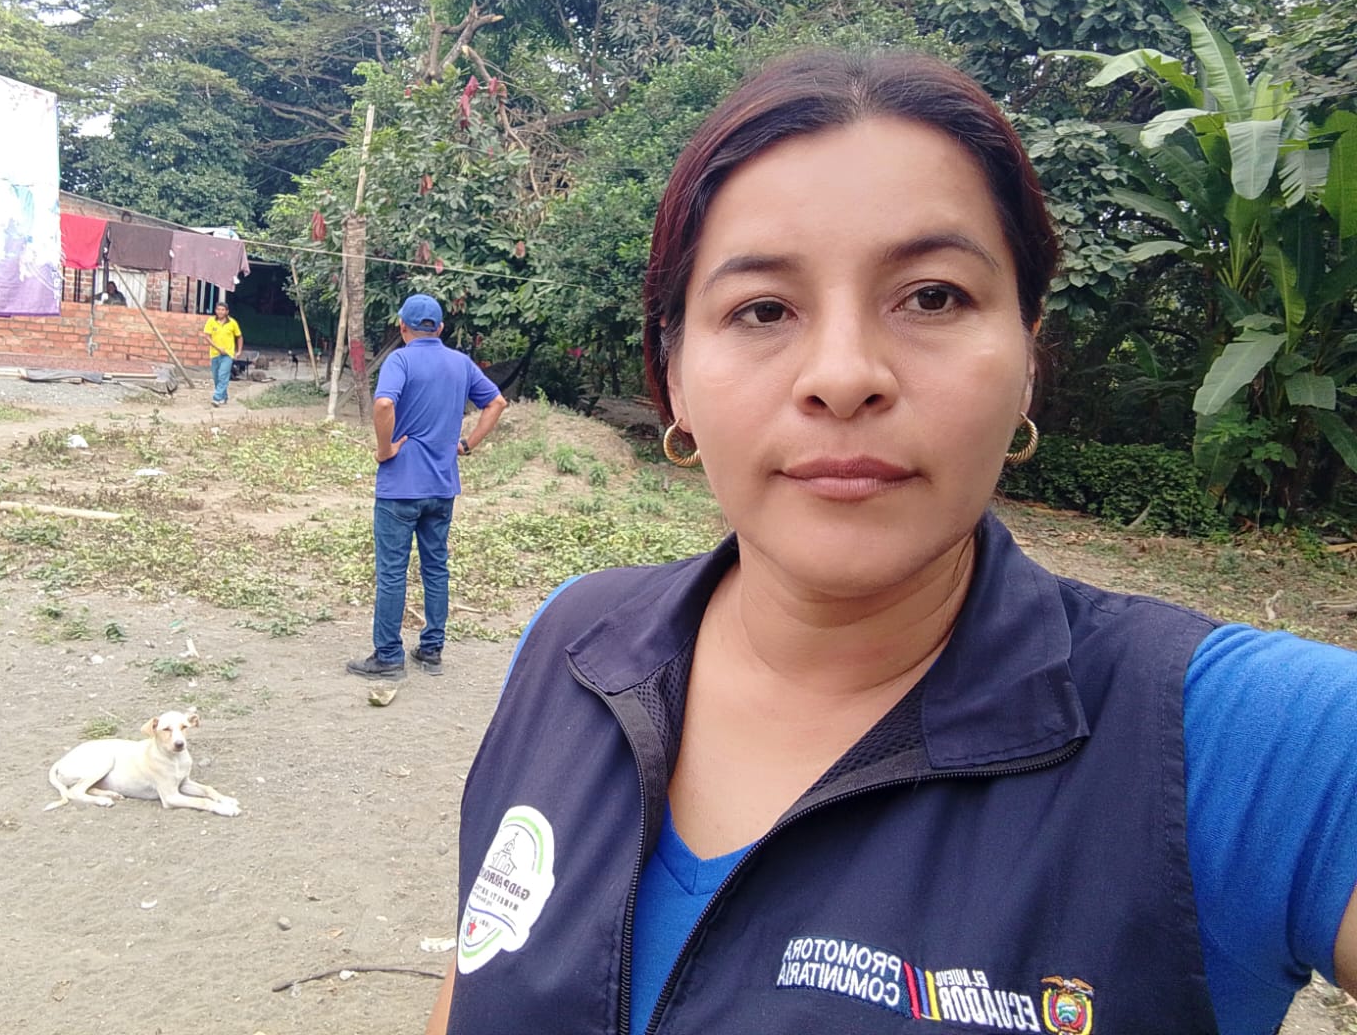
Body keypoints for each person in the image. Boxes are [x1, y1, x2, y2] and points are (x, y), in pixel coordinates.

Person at [426, 51, 1357, 1034]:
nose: (843, 376)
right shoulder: (570, 647)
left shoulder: (1241, 744)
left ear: (1027, 357)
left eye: (933, 296)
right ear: (677, 378)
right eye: (763, 309)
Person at [347, 294, 507, 681]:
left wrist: (385, 450)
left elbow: (384, 405)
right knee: (436, 568)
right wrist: (467, 445)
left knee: (392, 572)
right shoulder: (460, 363)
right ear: (440, 328)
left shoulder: (400, 361)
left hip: (400, 488)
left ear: (402, 326)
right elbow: (497, 403)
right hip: (441, 486)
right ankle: (431, 650)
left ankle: (388, 656)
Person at [203, 300, 242, 407]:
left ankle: (216, 398)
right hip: (214, 353)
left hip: (228, 354)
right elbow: (207, 336)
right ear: (215, 310)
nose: (220, 312)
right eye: (218, 309)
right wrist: (217, 348)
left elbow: (239, 337)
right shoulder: (211, 321)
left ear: (227, 311)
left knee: (223, 375)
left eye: (223, 310)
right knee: (216, 377)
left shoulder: (232, 322)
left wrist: (239, 351)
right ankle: (223, 396)